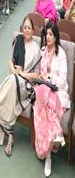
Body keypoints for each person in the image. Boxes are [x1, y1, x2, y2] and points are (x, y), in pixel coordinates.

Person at [0, 16, 41, 157]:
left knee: (13, 80)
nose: (27, 30)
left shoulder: (36, 48)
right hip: (14, 79)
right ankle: (10, 134)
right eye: (25, 27)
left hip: (27, 85)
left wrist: (23, 74)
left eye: (29, 28)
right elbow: (10, 60)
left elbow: (37, 75)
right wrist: (13, 70)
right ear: (22, 29)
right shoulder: (18, 40)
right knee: (13, 79)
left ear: (33, 30)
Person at [34, 23, 69, 177]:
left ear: (55, 37)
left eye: (50, 34)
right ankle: (54, 137)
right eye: (46, 34)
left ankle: (50, 147)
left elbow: (62, 79)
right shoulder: (43, 51)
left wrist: (49, 78)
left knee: (46, 105)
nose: (48, 37)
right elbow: (39, 73)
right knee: (43, 96)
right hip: (43, 89)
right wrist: (42, 78)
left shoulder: (61, 54)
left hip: (57, 91)